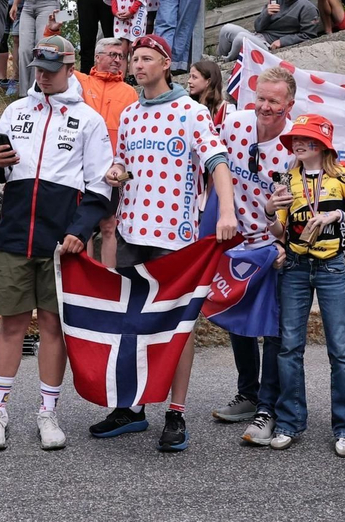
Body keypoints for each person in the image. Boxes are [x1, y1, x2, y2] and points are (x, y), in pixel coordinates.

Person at [94, 33, 237, 452]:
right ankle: (132, 406)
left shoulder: (191, 111)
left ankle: (176, 412)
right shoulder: (131, 113)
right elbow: (123, 161)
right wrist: (116, 172)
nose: (136, 65)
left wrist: (226, 213)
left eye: (144, 59)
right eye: (133, 59)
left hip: (174, 237)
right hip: (130, 232)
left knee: (179, 325)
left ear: (164, 63)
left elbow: (218, 163)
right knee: (131, 323)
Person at [0, 36, 115, 452]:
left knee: (53, 326)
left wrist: (80, 230)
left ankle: (47, 412)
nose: (42, 75)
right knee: (12, 325)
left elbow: (99, 187)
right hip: (15, 235)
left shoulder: (89, 119)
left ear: (70, 68)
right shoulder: (16, 110)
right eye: (38, 67)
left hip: (63, 242)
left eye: (51, 69)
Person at [268, 112, 345, 455]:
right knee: (289, 348)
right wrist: (271, 212)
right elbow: (279, 232)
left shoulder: (342, 176)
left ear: (322, 144)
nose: (298, 143)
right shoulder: (286, 178)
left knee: (340, 351)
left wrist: (335, 214)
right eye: (295, 138)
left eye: (306, 139)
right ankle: (289, 422)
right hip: (295, 267)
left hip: (331, 267)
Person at [210, 67, 296, 439]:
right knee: (238, 319)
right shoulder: (235, 123)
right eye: (259, 97)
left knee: (274, 328)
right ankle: (248, 392)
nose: (263, 106)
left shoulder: (295, 145)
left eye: (272, 101)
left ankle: (269, 405)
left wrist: (284, 242)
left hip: (274, 245)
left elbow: (303, 203)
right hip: (235, 239)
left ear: (289, 105)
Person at [76, 38, 138, 268]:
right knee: (84, 227)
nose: (117, 60)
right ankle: (87, 281)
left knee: (109, 225)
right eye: (112, 54)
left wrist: (125, 174)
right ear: (97, 57)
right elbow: (53, 57)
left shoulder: (130, 92)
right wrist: (52, 28)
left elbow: (133, 136)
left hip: (113, 169)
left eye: (121, 56)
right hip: (80, 166)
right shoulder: (81, 82)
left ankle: (110, 282)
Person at [216, 0, 321, 61]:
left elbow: (309, 35)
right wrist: (267, 14)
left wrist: (282, 41)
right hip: (257, 38)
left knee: (241, 38)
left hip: (268, 46)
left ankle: (227, 63)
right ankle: (220, 59)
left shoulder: (307, 8)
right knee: (226, 29)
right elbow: (258, 27)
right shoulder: (276, 2)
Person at [187, 60, 228, 130]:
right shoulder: (188, 106)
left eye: (194, 77)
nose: (189, 81)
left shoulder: (225, 110)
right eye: (190, 76)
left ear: (208, 81)